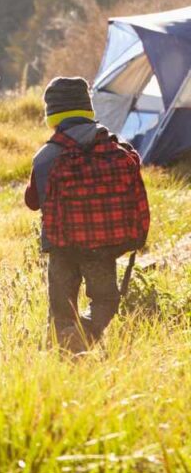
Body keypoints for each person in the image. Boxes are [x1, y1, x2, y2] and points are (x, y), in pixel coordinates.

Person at [25, 76, 148, 353]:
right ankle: (86, 331)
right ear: (88, 110)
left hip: (61, 246)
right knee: (105, 300)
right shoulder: (115, 148)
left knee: (60, 308)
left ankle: (63, 357)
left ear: (52, 116)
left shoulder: (46, 156)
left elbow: (32, 202)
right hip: (102, 247)